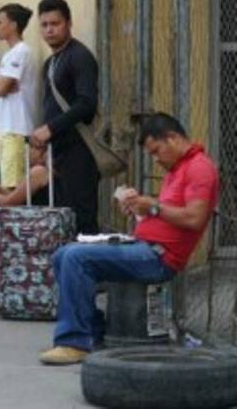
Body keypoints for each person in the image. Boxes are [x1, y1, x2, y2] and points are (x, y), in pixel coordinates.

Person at [38, 113, 217, 365]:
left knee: (76, 258)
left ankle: (73, 341)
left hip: (159, 257)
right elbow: (167, 216)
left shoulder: (199, 168)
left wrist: (153, 207)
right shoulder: (176, 169)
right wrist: (140, 210)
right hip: (144, 247)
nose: (156, 160)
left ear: (173, 138)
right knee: (63, 254)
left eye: (156, 151)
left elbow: (194, 218)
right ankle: (93, 331)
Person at [30, 0, 101, 235]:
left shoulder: (79, 56)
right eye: (44, 24)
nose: (49, 29)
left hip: (80, 151)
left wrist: (50, 129)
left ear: (68, 23)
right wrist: (43, 141)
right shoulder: (51, 62)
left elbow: (87, 104)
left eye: (55, 23)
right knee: (60, 218)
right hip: (58, 152)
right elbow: (51, 106)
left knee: (82, 219)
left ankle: (89, 269)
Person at [0, 4, 38, 190]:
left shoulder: (21, 51)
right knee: (7, 182)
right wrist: (0, 86)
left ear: (14, 25)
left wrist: (1, 86)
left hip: (16, 127)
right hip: (6, 127)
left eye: (0, 22)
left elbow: (0, 89)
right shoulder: (8, 55)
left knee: (13, 186)